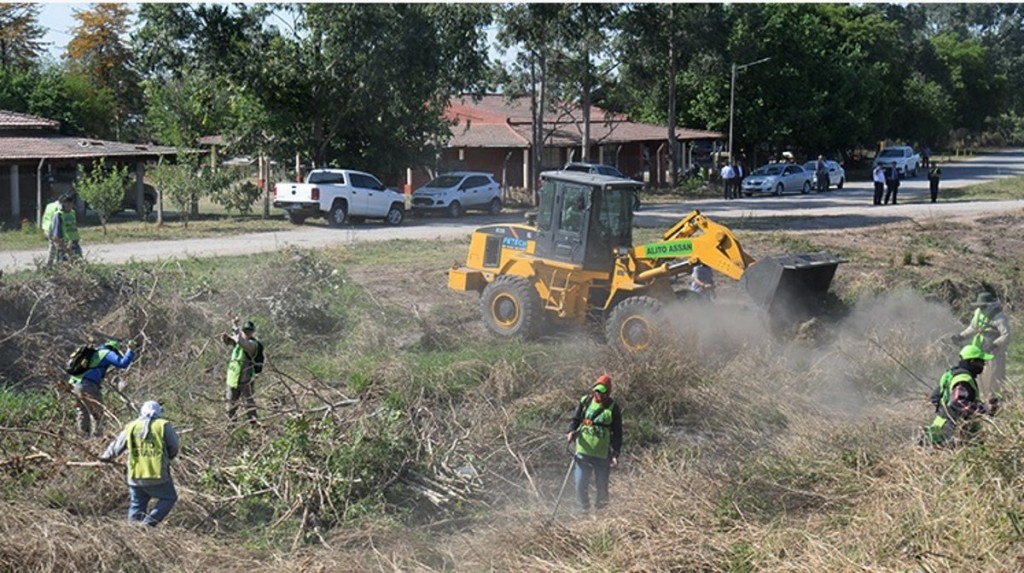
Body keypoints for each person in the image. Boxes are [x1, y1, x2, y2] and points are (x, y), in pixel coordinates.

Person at [100, 401, 180, 527]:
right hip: (157, 473)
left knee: (137, 504)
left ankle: (133, 534)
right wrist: (169, 457)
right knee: (169, 498)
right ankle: (147, 525)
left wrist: (105, 457)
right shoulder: (163, 425)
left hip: (135, 473)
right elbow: (174, 446)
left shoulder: (132, 426)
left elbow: (116, 446)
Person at [566, 374, 623, 514]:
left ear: (608, 392)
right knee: (580, 485)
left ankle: (601, 513)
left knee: (601, 487)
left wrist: (615, 454)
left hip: (602, 455)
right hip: (583, 452)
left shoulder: (613, 408)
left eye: (602, 392)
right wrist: (571, 431)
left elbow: (618, 433)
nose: (599, 395)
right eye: (597, 391)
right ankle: (584, 511)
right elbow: (575, 419)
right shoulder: (585, 401)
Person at [925, 345, 996, 446]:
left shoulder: (951, 374)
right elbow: (957, 401)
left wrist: (945, 411)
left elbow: (935, 398)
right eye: (981, 361)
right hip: (954, 431)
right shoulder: (963, 379)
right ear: (972, 362)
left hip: (941, 426)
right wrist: (984, 409)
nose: (984, 364)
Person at [69, 339, 135, 437]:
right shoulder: (107, 353)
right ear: (114, 349)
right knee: (98, 413)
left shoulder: (95, 352)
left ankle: (83, 437)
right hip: (88, 385)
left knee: (83, 411)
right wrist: (130, 350)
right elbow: (123, 363)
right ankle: (97, 438)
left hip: (74, 385)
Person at [957, 292, 1011, 399]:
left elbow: (1006, 335)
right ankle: (981, 397)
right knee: (980, 374)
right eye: (979, 306)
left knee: (994, 376)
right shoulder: (978, 312)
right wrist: (961, 336)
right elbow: (973, 327)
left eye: (983, 306)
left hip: (995, 352)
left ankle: (994, 399)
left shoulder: (999, 316)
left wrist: (995, 345)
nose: (981, 308)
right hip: (980, 348)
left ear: (990, 304)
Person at [223, 317, 263, 425]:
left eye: (249, 331)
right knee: (230, 405)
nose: (247, 333)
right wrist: (227, 336)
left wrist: (236, 327)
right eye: (245, 331)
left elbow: (243, 343)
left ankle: (254, 426)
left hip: (246, 379)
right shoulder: (238, 342)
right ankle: (231, 427)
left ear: (253, 332)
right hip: (233, 379)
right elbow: (230, 341)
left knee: (249, 405)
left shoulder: (253, 344)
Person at [41, 194, 78, 265]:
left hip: (50, 229)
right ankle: (51, 266)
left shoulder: (52, 206)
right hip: (52, 231)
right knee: (57, 249)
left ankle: (49, 266)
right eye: (68, 204)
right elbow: (56, 228)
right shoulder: (58, 212)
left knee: (54, 249)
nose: (70, 206)